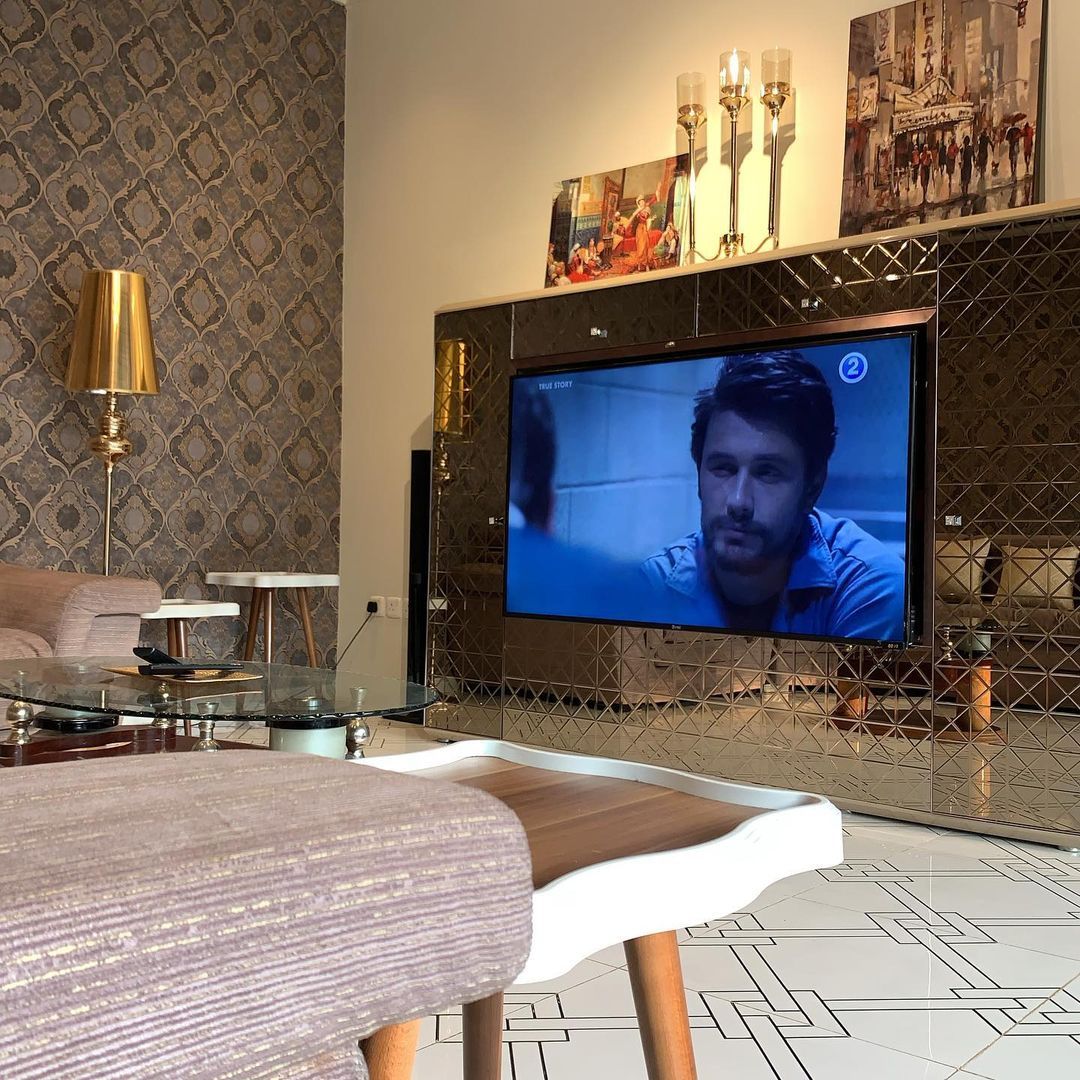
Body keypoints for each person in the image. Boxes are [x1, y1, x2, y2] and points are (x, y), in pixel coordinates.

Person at [641, 351, 905, 641]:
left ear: (812, 488)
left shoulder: (869, 587)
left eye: (767, 472)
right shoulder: (653, 585)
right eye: (723, 468)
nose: (738, 502)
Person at [629, 196, 655, 272]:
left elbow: (646, 218)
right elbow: (633, 218)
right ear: (639, 203)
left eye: (643, 201)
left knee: (646, 245)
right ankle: (640, 264)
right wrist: (639, 210)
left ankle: (646, 265)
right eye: (640, 202)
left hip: (644, 228)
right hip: (639, 229)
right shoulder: (638, 210)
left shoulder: (647, 209)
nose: (642, 203)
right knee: (640, 247)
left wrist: (650, 219)